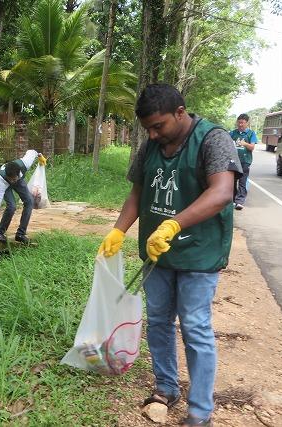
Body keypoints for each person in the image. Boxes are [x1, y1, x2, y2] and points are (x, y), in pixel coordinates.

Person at [98, 84, 242, 427]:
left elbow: (222, 192)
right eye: (147, 128)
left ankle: (200, 410)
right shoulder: (151, 145)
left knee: (195, 326)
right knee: (160, 321)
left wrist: (173, 225)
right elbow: (138, 191)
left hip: (198, 252)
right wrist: (119, 229)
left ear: (180, 112)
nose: (152, 133)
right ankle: (166, 386)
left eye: (158, 125)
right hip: (157, 253)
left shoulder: (213, 139)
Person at [0, 150, 47, 244]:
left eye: (13, 179)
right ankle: (0, 233)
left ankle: (20, 234)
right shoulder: (3, 180)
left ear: (18, 173)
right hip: (5, 183)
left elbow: (32, 152)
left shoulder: (25, 163)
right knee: (12, 206)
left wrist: (40, 155)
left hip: (19, 180)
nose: (12, 181)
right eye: (10, 179)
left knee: (29, 201)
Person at [229, 113, 258, 210]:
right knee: (232, 181)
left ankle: (240, 201)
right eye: (239, 122)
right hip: (233, 161)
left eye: (242, 123)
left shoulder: (251, 133)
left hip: (245, 161)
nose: (240, 124)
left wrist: (245, 143)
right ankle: (233, 199)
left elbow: (252, 147)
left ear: (247, 123)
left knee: (242, 181)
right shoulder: (233, 133)